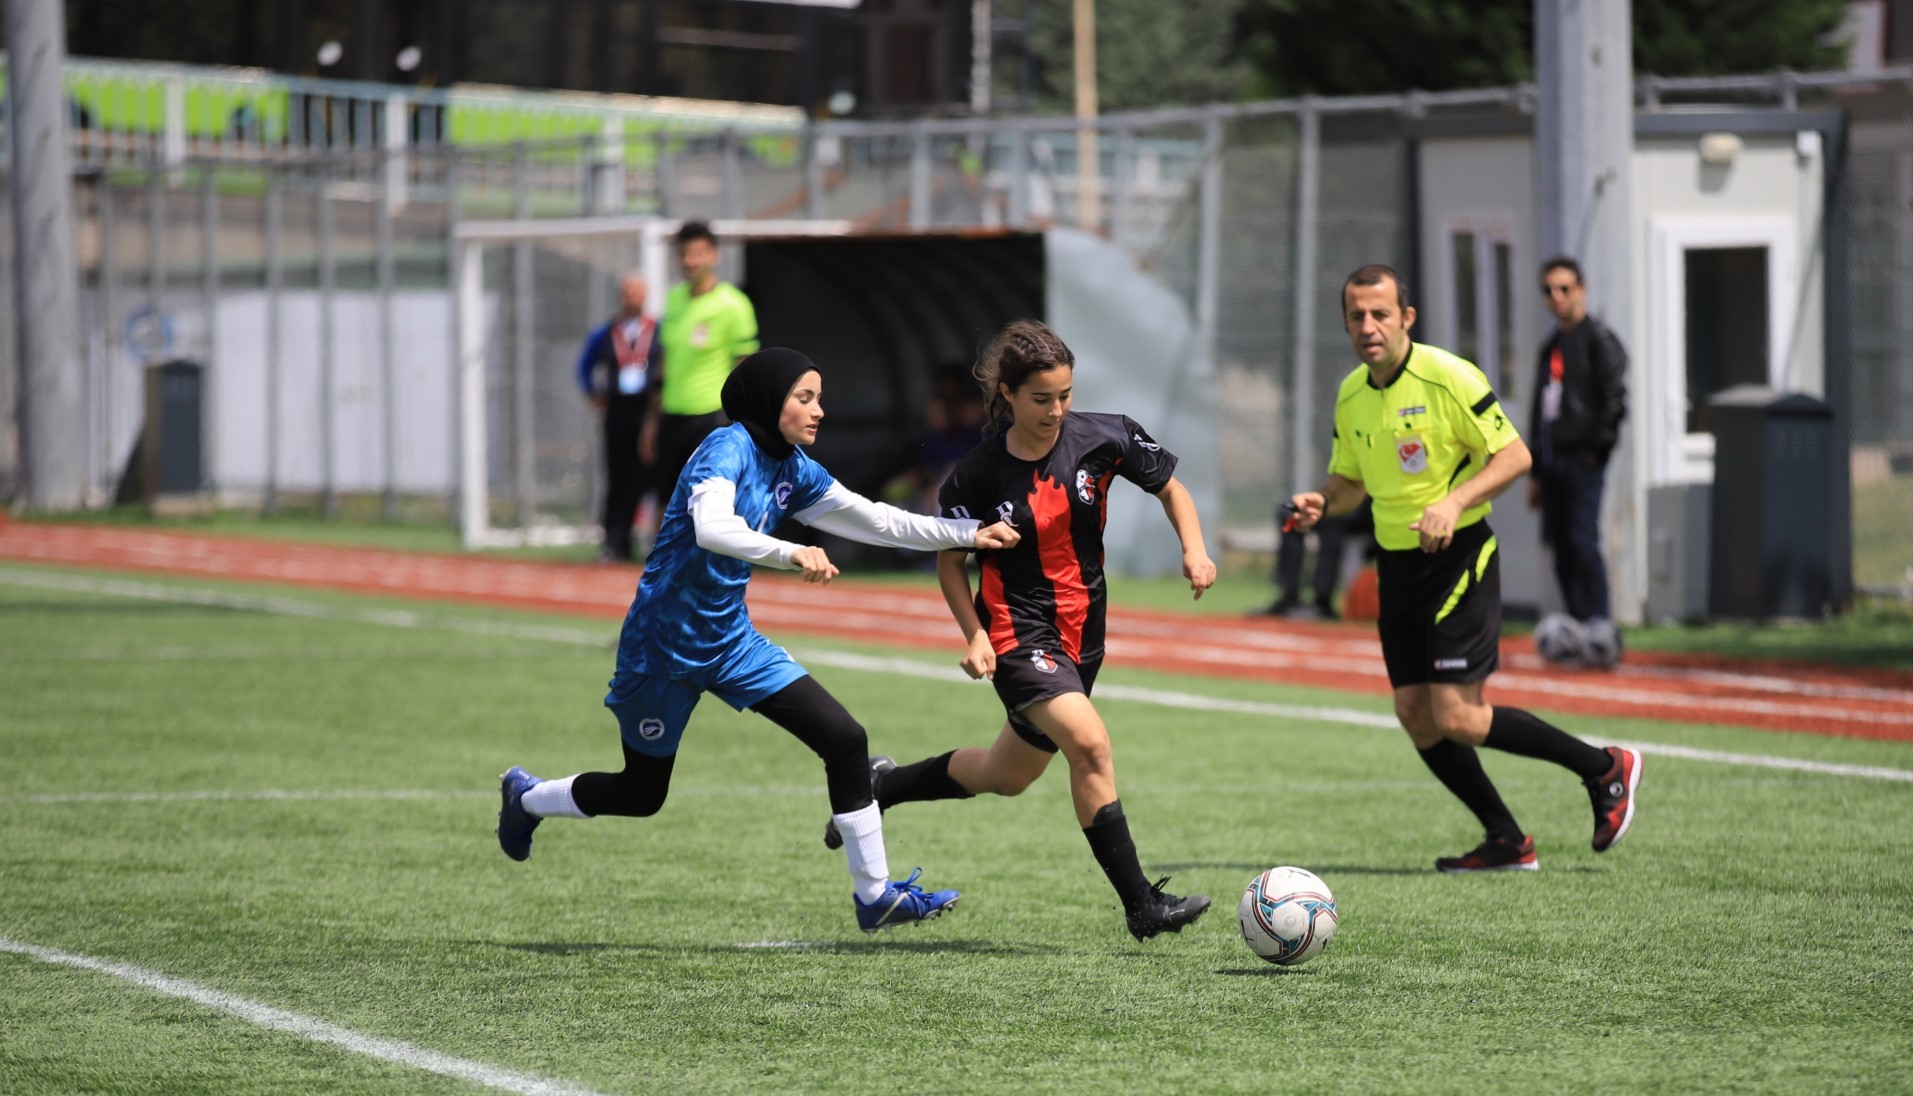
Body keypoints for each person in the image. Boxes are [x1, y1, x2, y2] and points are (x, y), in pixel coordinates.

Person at [498, 348, 1022, 932]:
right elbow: (713, 528)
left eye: (819, 397)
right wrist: (790, 551)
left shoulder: (793, 466)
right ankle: (526, 798)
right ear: (769, 401)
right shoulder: (726, 448)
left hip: (731, 643)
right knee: (642, 793)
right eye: (806, 398)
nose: (819, 410)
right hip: (662, 651)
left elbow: (874, 518)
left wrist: (968, 532)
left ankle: (875, 897)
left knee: (845, 738)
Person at [821, 320, 1219, 941]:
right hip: (1016, 633)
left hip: (1082, 635)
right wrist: (975, 635)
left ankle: (882, 783)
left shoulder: (1105, 436)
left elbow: (1171, 488)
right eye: (1041, 398)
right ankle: (1142, 905)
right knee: (1089, 745)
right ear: (1007, 393)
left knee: (1006, 778)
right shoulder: (976, 475)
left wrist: (1194, 551)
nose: (1056, 410)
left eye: (1064, 395)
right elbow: (951, 561)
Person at [1289, 265, 1641, 872]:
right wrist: (1324, 502)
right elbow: (1349, 481)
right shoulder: (1351, 394)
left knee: (1457, 714)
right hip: (1397, 571)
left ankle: (1604, 767)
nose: (1368, 327)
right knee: (1415, 714)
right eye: (1356, 316)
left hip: (1458, 561)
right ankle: (1507, 839)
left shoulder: (1447, 376)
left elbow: (1515, 456)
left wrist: (1453, 503)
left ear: (1407, 317)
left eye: (1380, 313)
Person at [1529, 256, 1629, 624]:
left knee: (1583, 542)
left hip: (1582, 460)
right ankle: (1577, 624)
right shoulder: (1551, 345)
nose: (1557, 297)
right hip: (1554, 464)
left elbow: (1615, 400)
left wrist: (1596, 451)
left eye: (1564, 289)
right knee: (1561, 548)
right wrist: (1536, 470)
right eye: (1549, 290)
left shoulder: (1598, 339)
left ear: (1581, 290)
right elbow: (1540, 411)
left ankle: (1598, 624)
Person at [642, 221, 760, 508]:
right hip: (672, 415)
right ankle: (663, 555)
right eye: (684, 254)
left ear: (713, 255)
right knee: (667, 501)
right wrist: (651, 422)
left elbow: (745, 369)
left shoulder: (734, 305)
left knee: (709, 502)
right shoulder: (673, 301)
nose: (690, 261)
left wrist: (743, 426)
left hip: (712, 417)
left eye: (698, 253)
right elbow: (664, 366)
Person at [575, 274, 662, 562]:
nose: (633, 298)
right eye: (628, 292)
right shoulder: (607, 331)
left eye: (638, 292)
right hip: (617, 410)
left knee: (646, 476)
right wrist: (592, 392)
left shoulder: (658, 330)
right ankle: (614, 541)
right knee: (616, 476)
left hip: (647, 411)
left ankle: (647, 537)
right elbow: (585, 366)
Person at [1254, 499, 1375, 620]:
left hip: (1368, 509)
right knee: (1289, 513)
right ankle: (1289, 597)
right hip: (1339, 499)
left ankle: (1322, 601)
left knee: (1331, 521)